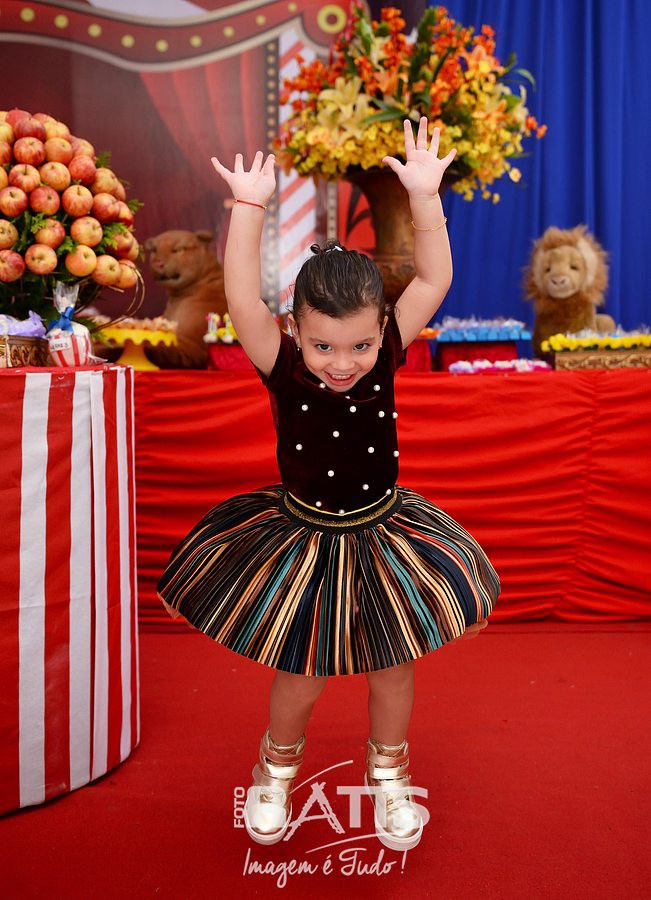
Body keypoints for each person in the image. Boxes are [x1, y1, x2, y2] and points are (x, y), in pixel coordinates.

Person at [158, 117, 500, 851]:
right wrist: (248, 208)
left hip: (382, 533)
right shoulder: (280, 362)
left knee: (392, 670)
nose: (342, 364)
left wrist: (424, 197)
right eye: (322, 346)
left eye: (359, 346)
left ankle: (389, 774)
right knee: (303, 673)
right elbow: (241, 300)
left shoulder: (388, 349)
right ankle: (275, 768)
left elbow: (434, 279)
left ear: (382, 329)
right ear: (294, 328)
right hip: (303, 537)